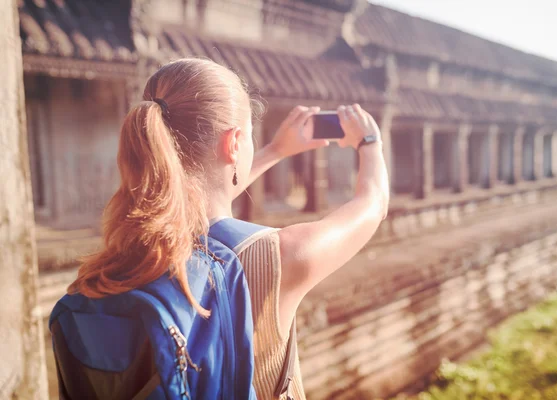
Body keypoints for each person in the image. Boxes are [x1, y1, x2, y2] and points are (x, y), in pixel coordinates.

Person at [68, 58, 389, 400]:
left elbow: (198, 196)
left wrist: (274, 151)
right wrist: (370, 142)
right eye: (249, 135)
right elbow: (373, 203)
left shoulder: (122, 253)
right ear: (234, 143)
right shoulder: (274, 257)